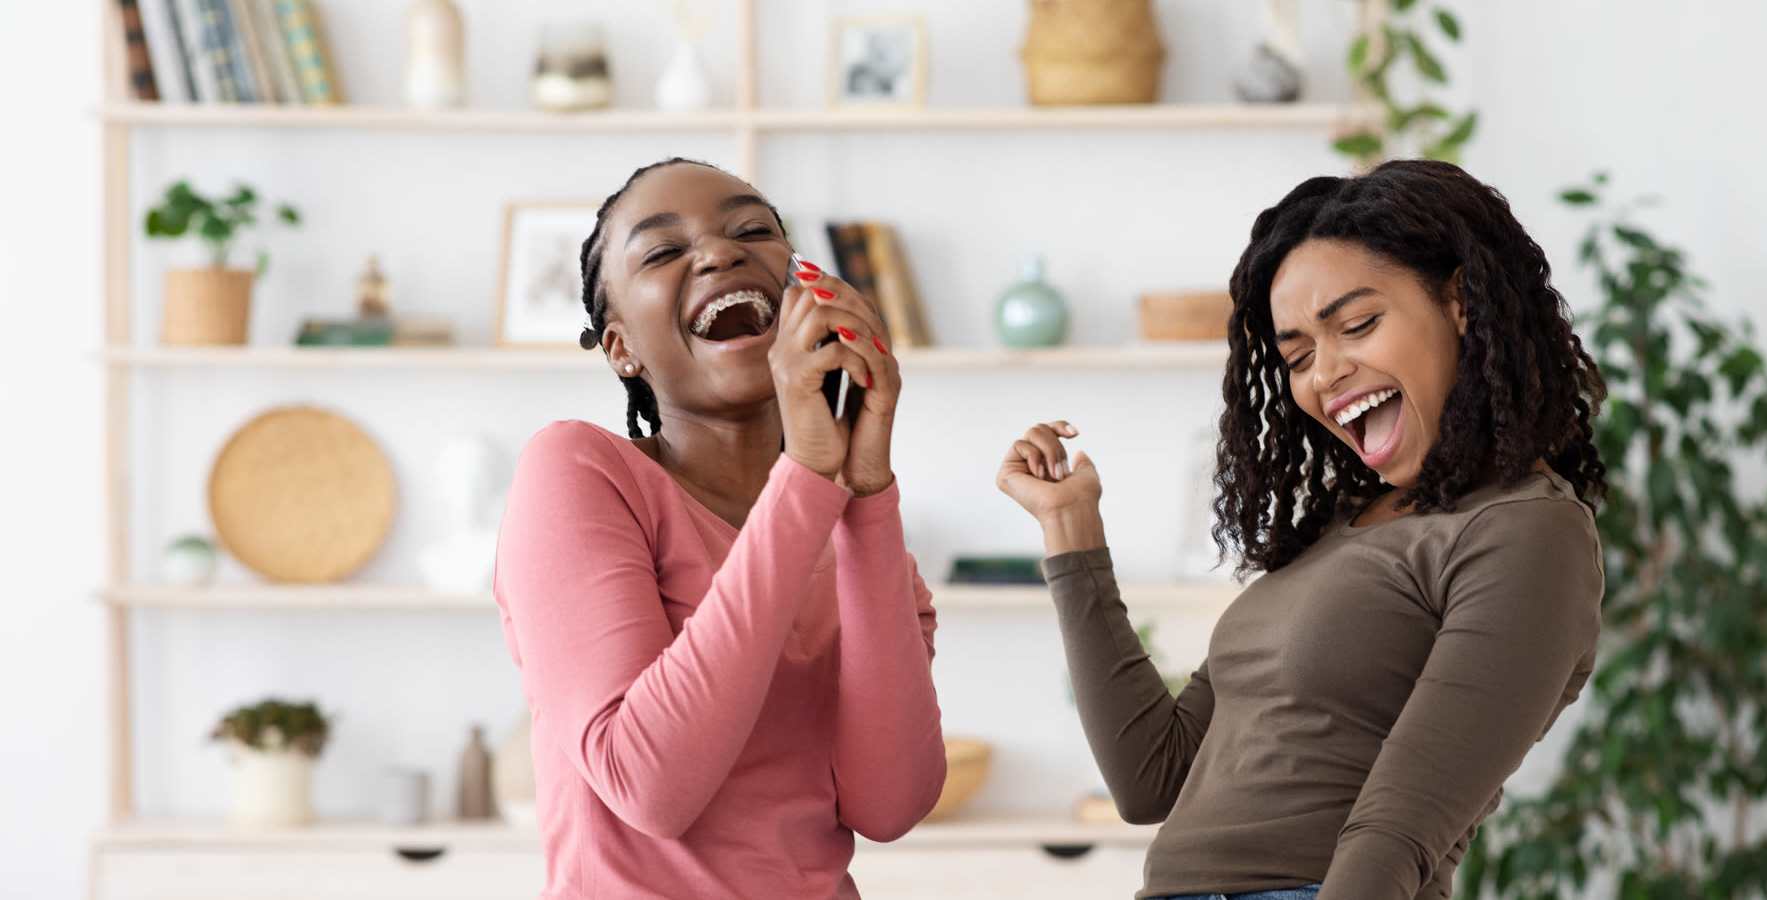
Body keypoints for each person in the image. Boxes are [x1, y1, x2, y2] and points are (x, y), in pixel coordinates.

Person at [996, 160, 1608, 900]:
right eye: (1298, 356)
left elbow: (1395, 835)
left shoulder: (1528, 531)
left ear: (1461, 303)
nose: (1325, 374)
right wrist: (1070, 526)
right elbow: (1151, 777)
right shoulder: (1336, 526)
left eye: (1358, 325)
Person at [494, 157, 945, 899]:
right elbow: (646, 784)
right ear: (620, 348)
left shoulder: (866, 541)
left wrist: (865, 497)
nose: (718, 253)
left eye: (753, 231)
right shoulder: (577, 471)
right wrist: (807, 476)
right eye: (664, 251)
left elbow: (888, 805)